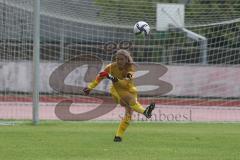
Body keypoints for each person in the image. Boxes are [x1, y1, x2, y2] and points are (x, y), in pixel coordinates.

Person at [83, 49, 155, 142]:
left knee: (129, 113)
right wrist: (90, 87)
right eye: (117, 59)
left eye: (121, 59)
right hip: (116, 91)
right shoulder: (110, 67)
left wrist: (110, 76)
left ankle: (118, 136)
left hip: (129, 90)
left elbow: (125, 83)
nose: (119, 61)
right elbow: (99, 77)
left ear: (126, 59)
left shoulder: (131, 68)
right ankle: (145, 112)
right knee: (130, 101)